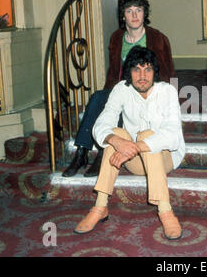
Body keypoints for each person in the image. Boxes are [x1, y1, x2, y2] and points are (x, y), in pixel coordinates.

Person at [73, 46, 185, 240]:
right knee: (114, 133)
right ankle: (100, 207)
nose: (142, 76)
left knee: (148, 136)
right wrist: (117, 141)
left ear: (154, 72)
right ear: (129, 72)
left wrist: (135, 147)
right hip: (135, 160)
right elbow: (101, 124)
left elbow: (173, 135)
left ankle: (165, 210)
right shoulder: (121, 89)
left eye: (148, 69)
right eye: (136, 69)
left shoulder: (167, 91)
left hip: (165, 157)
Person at [62, 0, 174, 178]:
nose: (135, 15)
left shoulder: (157, 38)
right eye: (129, 11)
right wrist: (109, 92)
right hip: (122, 87)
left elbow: (168, 72)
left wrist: (167, 99)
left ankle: (102, 156)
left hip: (147, 91)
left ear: (145, 13)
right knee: (99, 97)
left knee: (123, 105)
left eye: (139, 10)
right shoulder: (116, 38)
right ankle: (81, 152)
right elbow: (114, 72)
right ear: (123, 16)